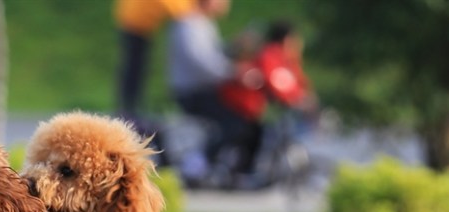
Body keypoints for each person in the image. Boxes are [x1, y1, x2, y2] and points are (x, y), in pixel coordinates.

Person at [168, 0, 259, 181]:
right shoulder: (189, 24)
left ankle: (232, 166)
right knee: (233, 122)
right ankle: (198, 163)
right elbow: (203, 63)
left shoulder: (202, 24)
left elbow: (212, 56)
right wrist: (234, 72)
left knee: (244, 117)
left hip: (205, 89)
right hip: (193, 92)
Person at [218, 21, 318, 169]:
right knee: (251, 135)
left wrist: (303, 95)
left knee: (258, 134)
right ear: (287, 39)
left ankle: (244, 170)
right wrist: (297, 99)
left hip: (249, 106)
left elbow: (296, 82)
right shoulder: (271, 55)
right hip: (239, 104)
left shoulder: (283, 57)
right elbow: (277, 82)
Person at [114, 0, 194, 121]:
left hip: (138, 22)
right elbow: (170, 4)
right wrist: (186, 12)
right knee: (134, 68)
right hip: (137, 23)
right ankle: (128, 109)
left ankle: (130, 107)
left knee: (136, 67)